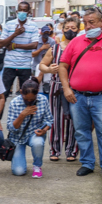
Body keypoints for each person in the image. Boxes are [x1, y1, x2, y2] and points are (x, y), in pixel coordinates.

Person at [59, 7, 102, 183]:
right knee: (82, 132)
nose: (88, 26)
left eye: (92, 22)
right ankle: (88, 163)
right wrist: (66, 88)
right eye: (85, 22)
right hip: (77, 96)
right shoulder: (76, 41)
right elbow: (62, 65)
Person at [39, 18, 79, 162]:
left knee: (74, 119)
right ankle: (54, 150)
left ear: (78, 30)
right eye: (67, 27)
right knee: (55, 118)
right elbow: (42, 65)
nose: (70, 30)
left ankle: (71, 151)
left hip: (75, 87)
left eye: (73, 28)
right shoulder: (55, 48)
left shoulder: (80, 47)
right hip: (56, 86)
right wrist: (49, 69)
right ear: (62, 30)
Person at [6, 79, 53, 178]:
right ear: (21, 92)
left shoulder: (43, 100)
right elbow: (11, 127)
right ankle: (19, 162)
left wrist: (44, 129)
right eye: (26, 99)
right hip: (17, 137)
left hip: (34, 134)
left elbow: (49, 120)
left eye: (32, 99)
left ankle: (37, 166)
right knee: (18, 171)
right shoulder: (14, 103)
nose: (29, 102)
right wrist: (22, 115)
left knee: (38, 143)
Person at [0, 2, 40, 98]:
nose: (22, 12)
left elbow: (34, 45)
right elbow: (1, 43)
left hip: (25, 65)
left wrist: (14, 45)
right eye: (20, 10)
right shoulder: (9, 24)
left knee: (26, 95)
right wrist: (14, 34)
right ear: (16, 11)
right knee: (3, 94)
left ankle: (25, 113)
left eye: (24, 10)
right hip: (9, 64)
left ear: (29, 12)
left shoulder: (33, 25)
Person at [32, 25, 55, 89]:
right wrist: (41, 48)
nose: (46, 34)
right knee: (36, 83)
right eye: (45, 32)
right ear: (41, 32)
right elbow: (33, 54)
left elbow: (54, 54)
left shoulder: (52, 41)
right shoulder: (36, 41)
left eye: (48, 32)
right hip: (36, 65)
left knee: (47, 84)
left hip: (47, 66)